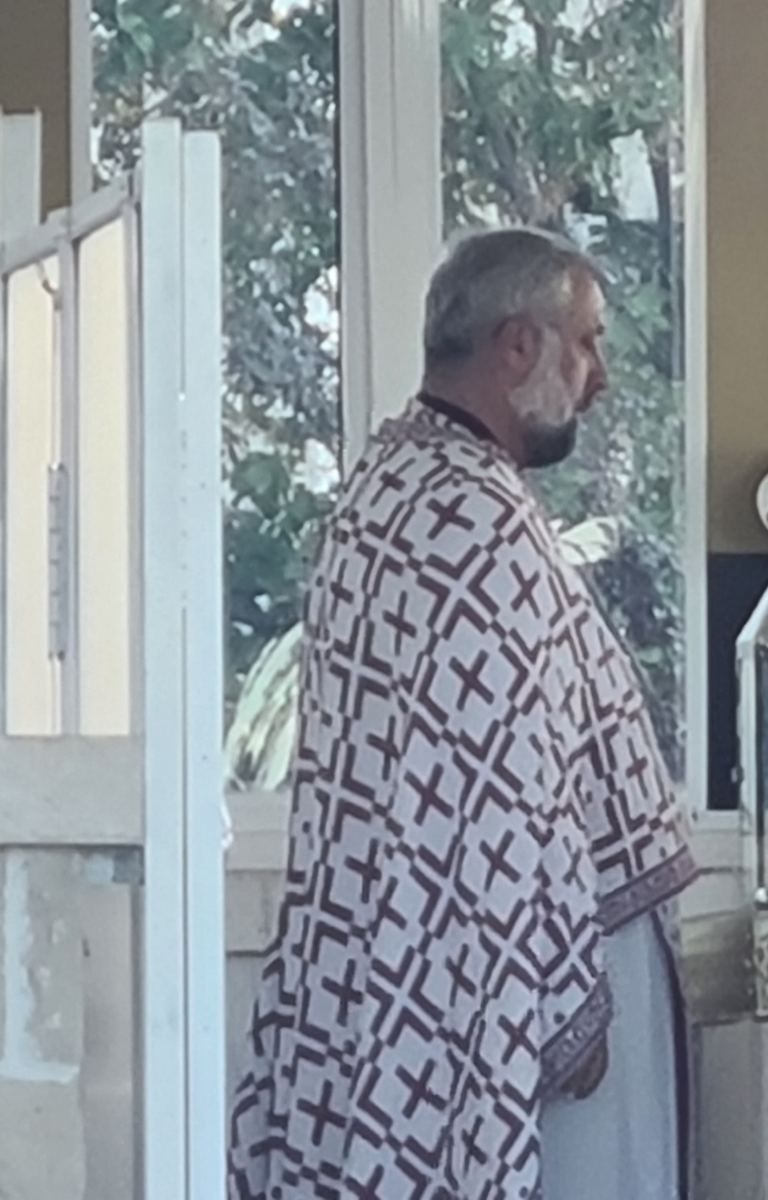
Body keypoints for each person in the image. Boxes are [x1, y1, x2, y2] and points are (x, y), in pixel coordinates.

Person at [228, 229, 695, 1200]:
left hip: (400, 959)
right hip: (502, 973)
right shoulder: (476, 519)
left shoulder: (385, 489)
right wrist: (564, 987)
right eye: (586, 342)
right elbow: (517, 793)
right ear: (518, 346)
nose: (601, 378)